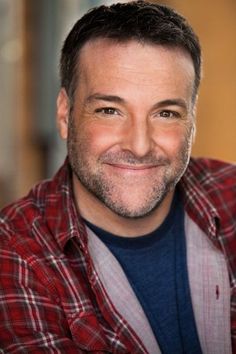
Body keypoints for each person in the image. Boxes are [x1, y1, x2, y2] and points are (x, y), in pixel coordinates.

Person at [0, 0, 235, 352]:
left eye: (166, 113)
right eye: (109, 110)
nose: (139, 146)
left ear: (192, 120)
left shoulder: (230, 193)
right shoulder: (15, 253)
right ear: (65, 114)